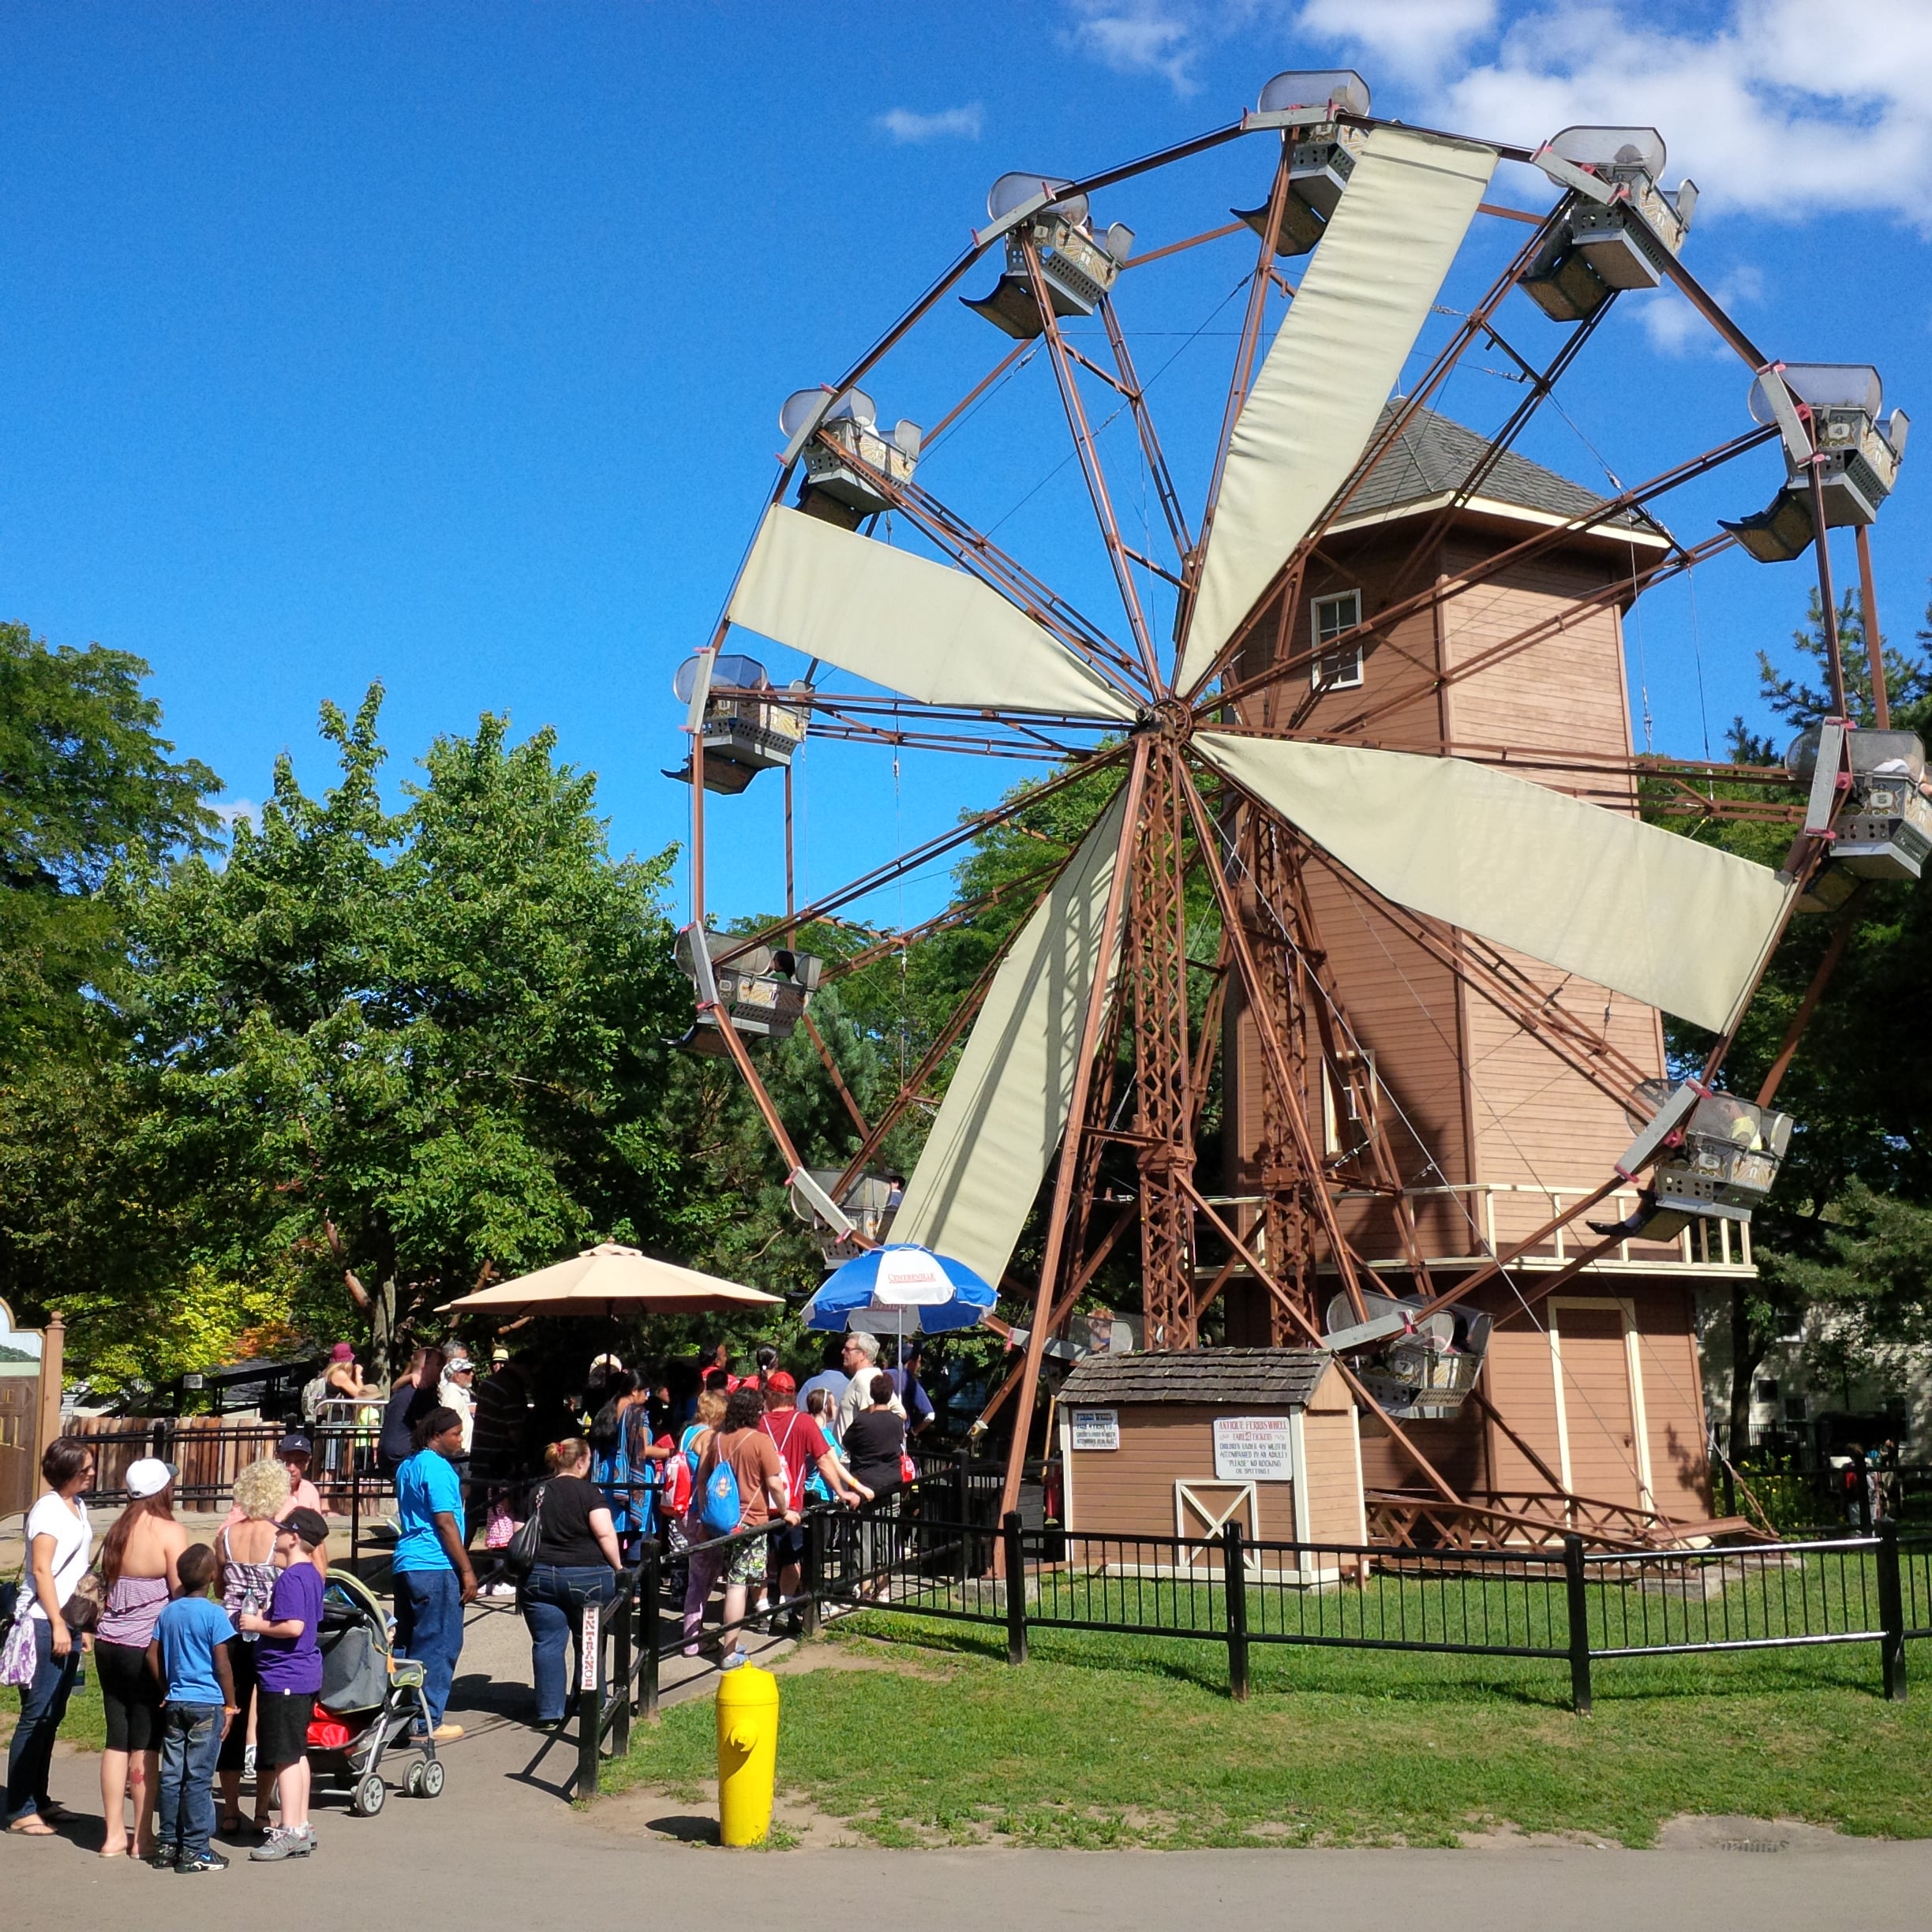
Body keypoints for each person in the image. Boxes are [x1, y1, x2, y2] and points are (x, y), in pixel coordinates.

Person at [94, 1456, 189, 1859]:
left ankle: (114, 1833)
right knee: (145, 1739)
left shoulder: (117, 1530)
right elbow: (181, 1594)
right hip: (144, 1648)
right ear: (160, 1490)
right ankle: (142, 1836)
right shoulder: (170, 1531)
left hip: (107, 1644)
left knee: (116, 1738)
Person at [6, 1436, 95, 1837]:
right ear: (66, 1472)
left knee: (54, 1715)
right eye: (84, 1469)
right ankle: (20, 1807)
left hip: (69, 1621)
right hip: (44, 1621)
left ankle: (38, 1799)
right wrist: (59, 1623)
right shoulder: (47, 1511)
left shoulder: (78, 1506)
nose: (92, 1474)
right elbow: (42, 1570)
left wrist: (82, 1625)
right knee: (36, 1714)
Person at [234, 1507, 329, 1862]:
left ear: (294, 1538)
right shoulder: (312, 1576)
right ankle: (301, 1824)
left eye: (279, 1532)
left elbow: (294, 1627)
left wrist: (257, 1625)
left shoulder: (291, 1578)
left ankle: (289, 1830)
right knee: (297, 1752)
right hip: (301, 1674)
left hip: (284, 1675)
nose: (274, 1537)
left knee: (285, 1757)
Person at [519, 1437, 624, 1725]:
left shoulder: (537, 1492)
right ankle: (590, 1703)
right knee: (589, 1639)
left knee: (547, 1643)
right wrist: (618, 1567)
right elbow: (604, 1533)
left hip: (539, 1576)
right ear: (581, 1462)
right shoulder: (590, 1492)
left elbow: (518, 1532)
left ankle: (549, 1711)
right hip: (587, 1576)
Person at [146, 1542, 238, 1874]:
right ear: (213, 1577)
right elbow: (223, 1663)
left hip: (176, 1703)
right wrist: (231, 1703)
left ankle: (167, 1844)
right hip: (208, 1703)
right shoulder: (215, 1614)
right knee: (198, 1778)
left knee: (172, 1775)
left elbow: (151, 1655)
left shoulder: (169, 1611)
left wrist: (167, 1687)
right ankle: (196, 1849)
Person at [391, 1406, 477, 1743]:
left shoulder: (407, 1466)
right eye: (455, 1434)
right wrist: (467, 1569)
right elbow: (444, 1521)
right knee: (439, 1643)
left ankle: (399, 1716)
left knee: (408, 1643)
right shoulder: (438, 1469)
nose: (460, 1440)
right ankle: (428, 1721)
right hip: (435, 1563)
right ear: (436, 1435)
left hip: (406, 1562)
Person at [215, 1455, 291, 1834]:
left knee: (232, 1712)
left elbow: (218, 1585)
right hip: (266, 1631)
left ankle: (230, 1810)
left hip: (229, 1634)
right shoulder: (278, 1537)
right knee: (269, 1724)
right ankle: (261, 1811)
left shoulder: (225, 1536)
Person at [693, 1386, 793, 1670]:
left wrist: (704, 1514)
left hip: (723, 1523)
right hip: (750, 1523)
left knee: (734, 1580)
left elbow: (702, 1480)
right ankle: (728, 1652)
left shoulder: (718, 1439)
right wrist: (786, 1511)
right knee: (737, 1586)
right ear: (756, 1412)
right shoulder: (760, 1441)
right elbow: (774, 1484)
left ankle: (731, 1643)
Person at [758, 1373, 868, 1630]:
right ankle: (785, 1605)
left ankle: (762, 1610)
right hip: (792, 1503)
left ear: (771, 1395)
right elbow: (823, 1461)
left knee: (761, 1560)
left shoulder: (759, 1423)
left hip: (759, 1504)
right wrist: (843, 1493)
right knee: (791, 1557)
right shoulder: (804, 1422)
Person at [843, 1372, 908, 1597]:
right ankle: (884, 1587)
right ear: (890, 1395)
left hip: (865, 1484)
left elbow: (846, 1442)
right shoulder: (896, 1421)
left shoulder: (862, 1420)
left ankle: (865, 1586)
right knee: (887, 1536)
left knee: (864, 1537)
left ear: (871, 1394)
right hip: (891, 1483)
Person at [378, 1346, 449, 1478]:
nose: (441, 1368)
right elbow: (427, 1431)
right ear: (425, 1365)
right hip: (405, 1458)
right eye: (439, 1364)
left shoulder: (401, 1390)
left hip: (388, 1457)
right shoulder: (420, 1393)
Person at [836, 1332, 904, 1439]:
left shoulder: (864, 1378)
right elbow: (900, 1413)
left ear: (863, 1354)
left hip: (852, 1454)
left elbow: (874, 1420)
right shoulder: (873, 1375)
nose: (843, 1352)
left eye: (848, 1349)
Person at [795, 1341, 850, 1437]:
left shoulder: (811, 1384)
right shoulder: (850, 1386)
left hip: (813, 1438)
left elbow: (799, 1412)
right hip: (843, 1443)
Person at [885, 1339, 938, 1438]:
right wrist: (914, 1431)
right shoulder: (910, 1382)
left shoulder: (881, 1375)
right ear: (911, 1362)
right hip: (898, 1435)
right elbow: (930, 1415)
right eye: (919, 1362)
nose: (919, 1366)